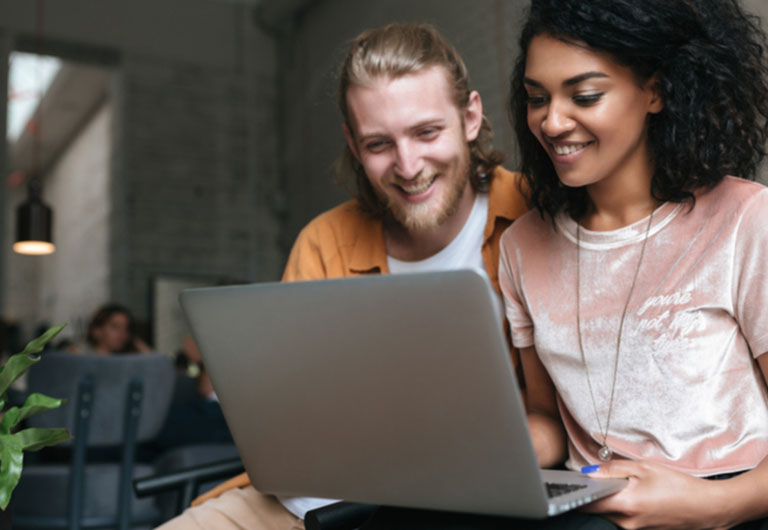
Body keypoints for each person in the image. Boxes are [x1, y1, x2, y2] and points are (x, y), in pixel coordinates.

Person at [157, 22, 528, 530]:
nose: (408, 165)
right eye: (379, 144)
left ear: (469, 117)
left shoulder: (534, 215)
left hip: (469, 500)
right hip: (311, 500)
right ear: (354, 146)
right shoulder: (323, 242)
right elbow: (282, 419)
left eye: (426, 132)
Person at [499, 0, 768, 528]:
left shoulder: (746, 220)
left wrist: (712, 507)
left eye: (585, 95)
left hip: (733, 504)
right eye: (536, 98)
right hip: (594, 504)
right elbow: (546, 418)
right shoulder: (522, 246)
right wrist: (484, 454)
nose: (552, 122)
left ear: (656, 91)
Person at [69, 303, 151, 355]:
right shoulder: (80, 354)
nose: (122, 333)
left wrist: (136, 343)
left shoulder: (126, 358)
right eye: (115, 327)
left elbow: (156, 364)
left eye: (126, 328)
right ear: (96, 331)